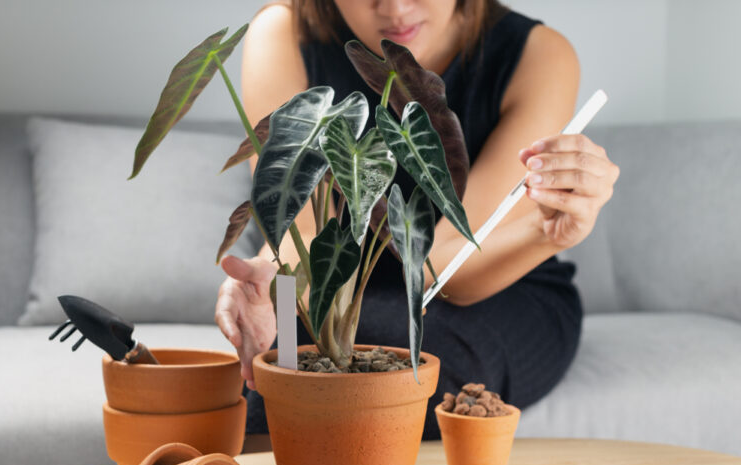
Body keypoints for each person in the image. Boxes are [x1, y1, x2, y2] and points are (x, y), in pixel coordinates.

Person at [215, 0, 620, 440]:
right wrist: (272, 278)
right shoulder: (285, 33)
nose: (395, 8)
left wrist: (546, 233)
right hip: (347, 293)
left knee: (413, 366)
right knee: (285, 364)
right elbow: (305, 231)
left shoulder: (536, 55)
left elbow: (445, 266)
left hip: (492, 288)